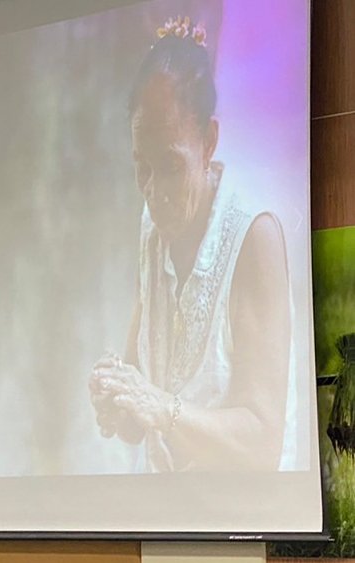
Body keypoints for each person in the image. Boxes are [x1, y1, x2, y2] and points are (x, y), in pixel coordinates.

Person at [90, 17, 291, 472]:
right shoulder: (151, 227)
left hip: (240, 515)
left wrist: (162, 408)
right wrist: (117, 397)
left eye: (170, 166)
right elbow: (136, 423)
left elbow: (263, 442)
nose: (153, 191)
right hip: (160, 509)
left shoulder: (254, 237)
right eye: (142, 167)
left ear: (209, 142)